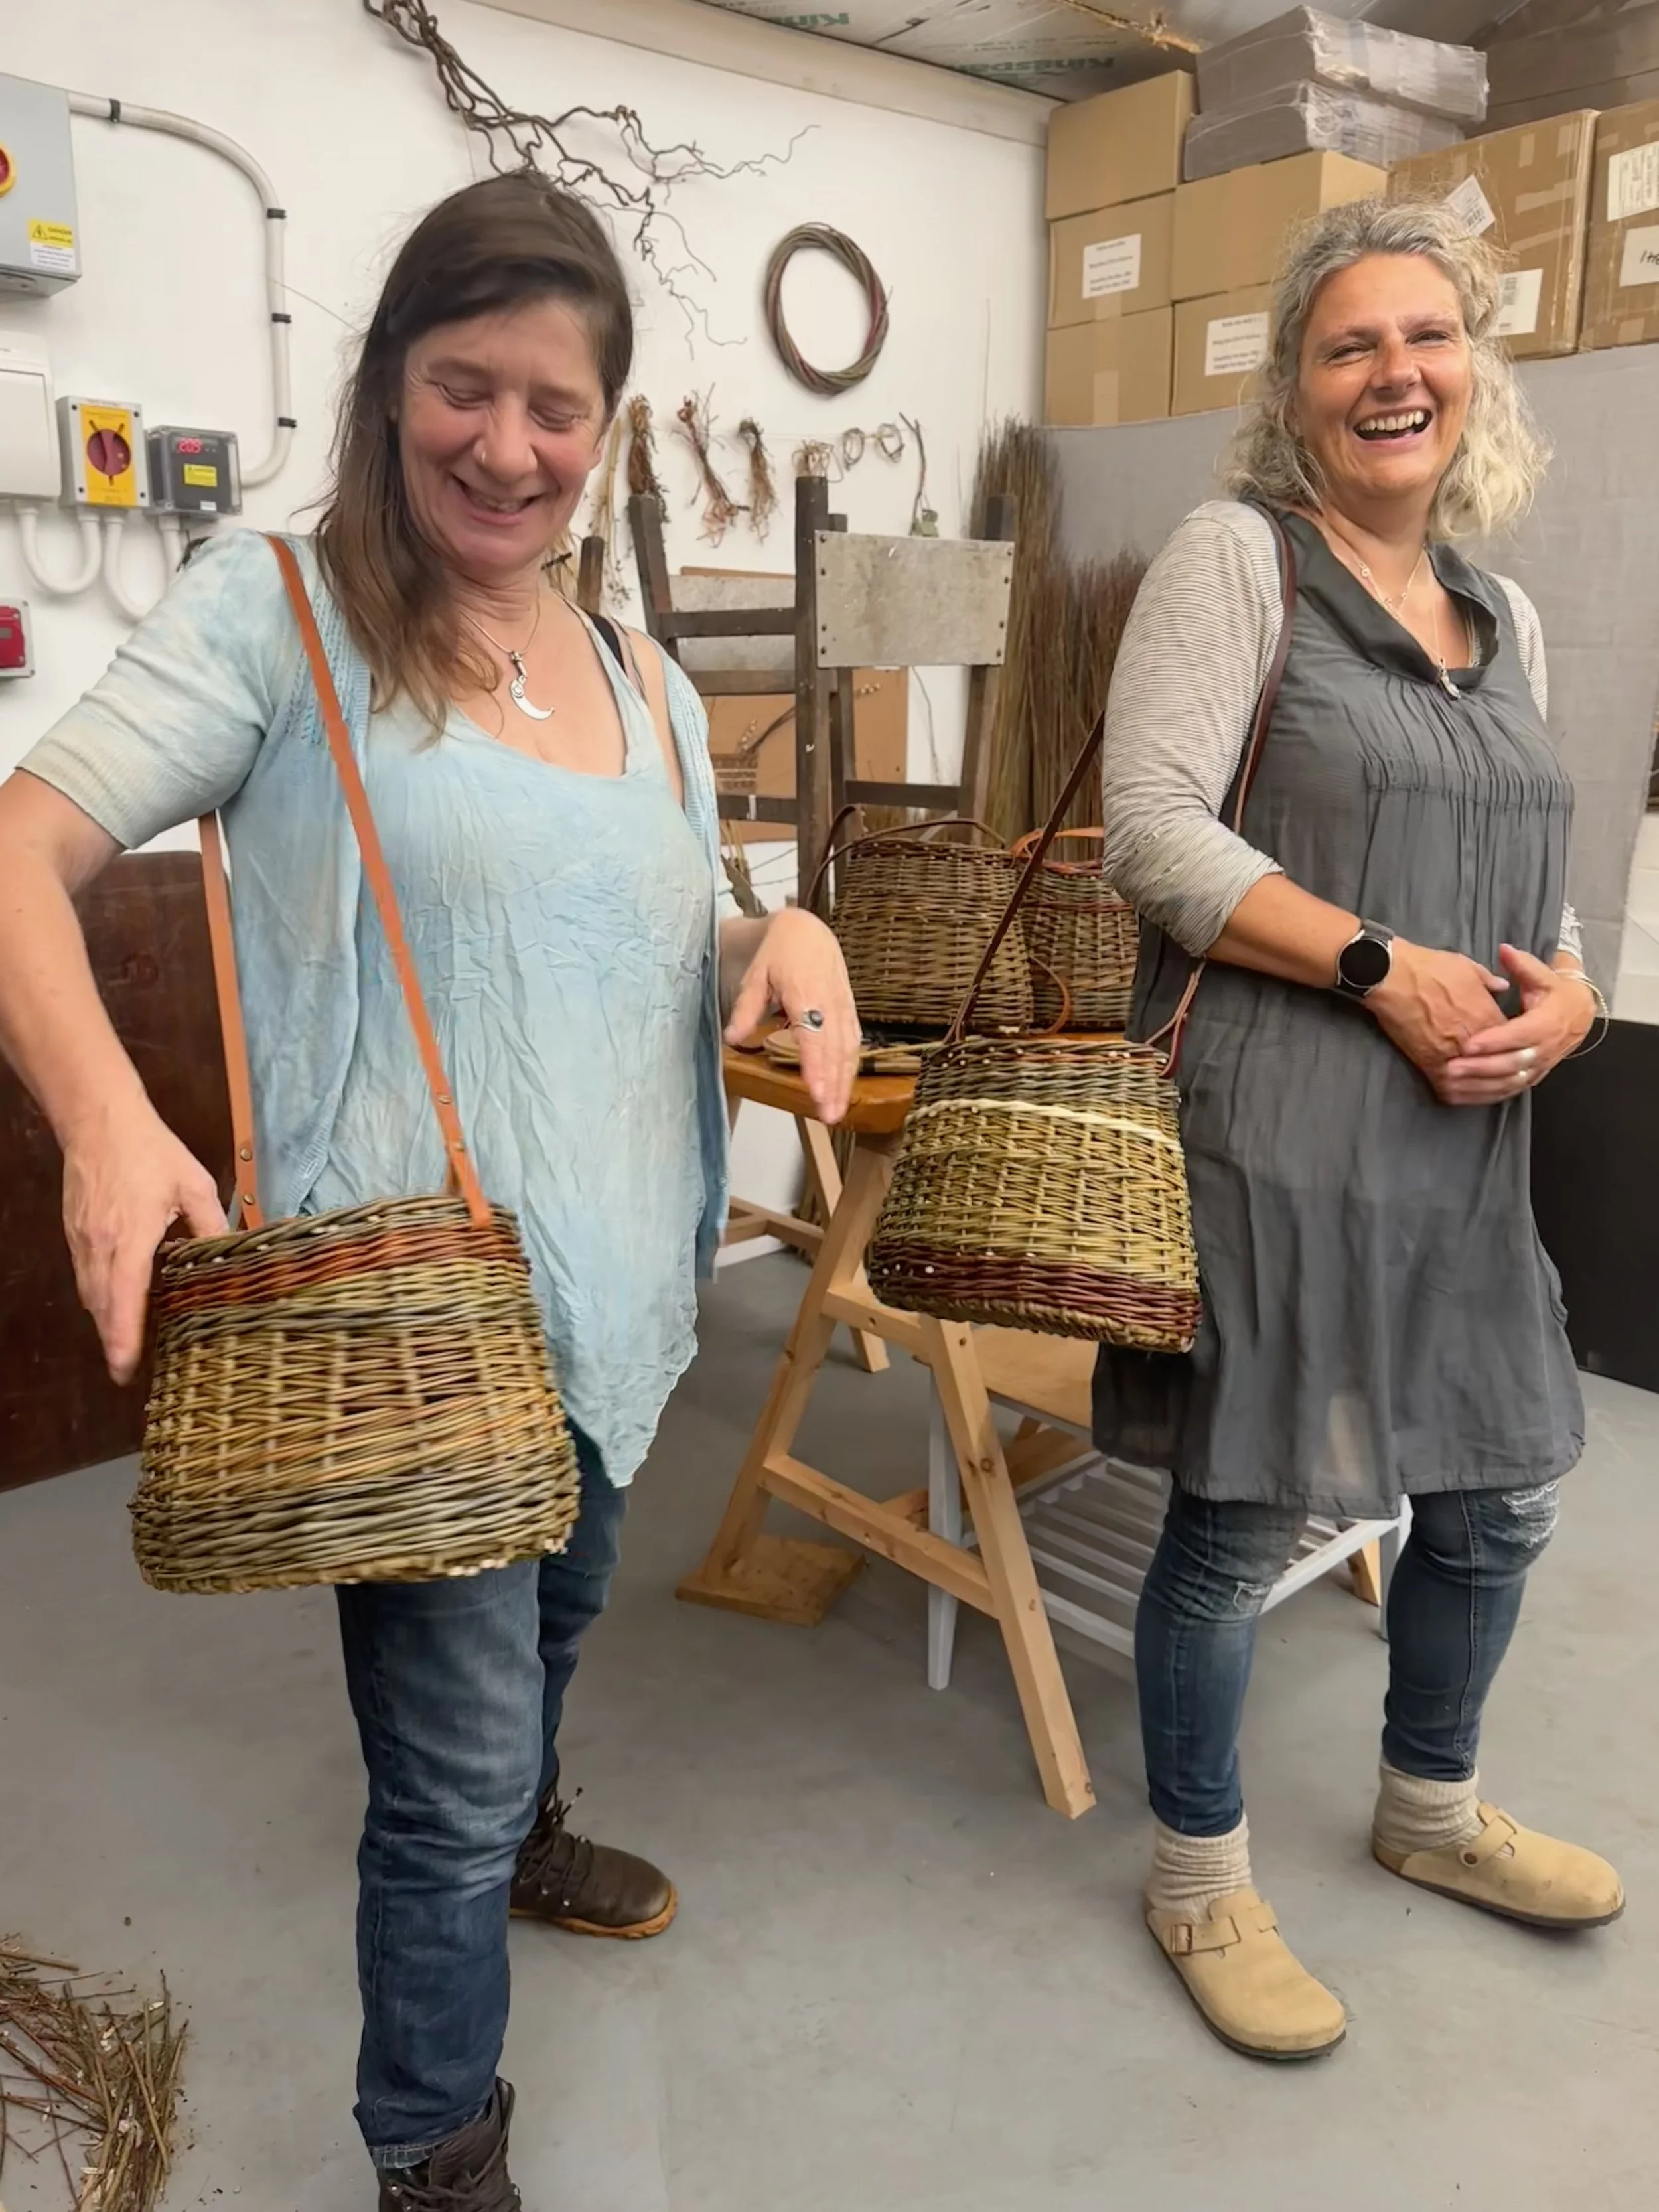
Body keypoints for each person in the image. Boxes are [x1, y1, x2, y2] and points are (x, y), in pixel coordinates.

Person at [0, 173, 859, 2206]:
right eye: (462, 387)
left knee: (546, 1646)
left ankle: (526, 1822)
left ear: (607, 426)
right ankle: (434, 2142)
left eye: (555, 406)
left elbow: (670, 928)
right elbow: (17, 851)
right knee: (443, 1778)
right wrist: (112, 1123)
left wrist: (781, 931)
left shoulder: (645, 681)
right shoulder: (278, 615)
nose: (507, 443)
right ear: (388, 385)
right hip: (410, 1334)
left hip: (624, 1303)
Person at [1094, 196, 1624, 2065]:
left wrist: (1559, 996)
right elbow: (1150, 832)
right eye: (1347, 345)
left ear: (1468, 372)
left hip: (1465, 1145)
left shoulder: (1503, 613)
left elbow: (1536, 886)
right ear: (1295, 390)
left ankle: (1424, 1803)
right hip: (1281, 1121)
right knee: (1241, 1518)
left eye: (1424, 338)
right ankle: (1195, 1870)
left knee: (1499, 1493)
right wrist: (1382, 966)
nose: (1390, 372)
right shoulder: (1239, 560)